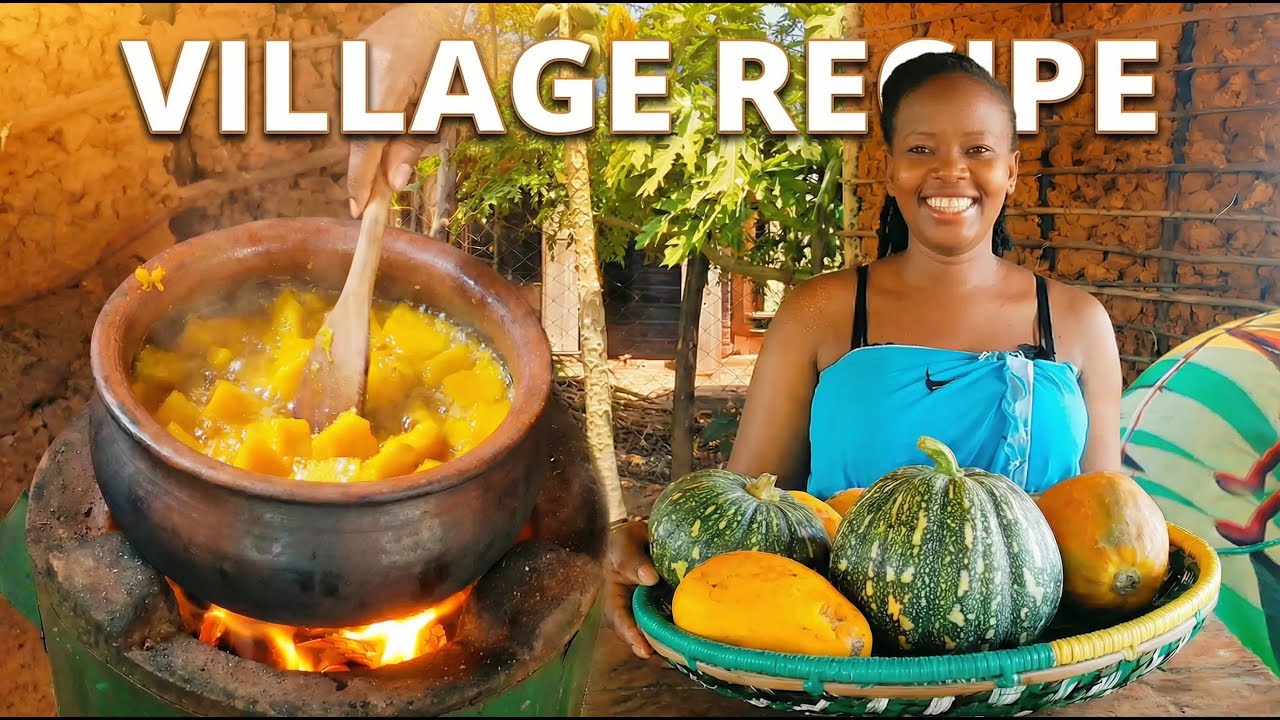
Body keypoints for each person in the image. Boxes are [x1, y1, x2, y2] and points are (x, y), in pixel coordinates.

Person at [603, 51, 1124, 660]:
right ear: (891, 169)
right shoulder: (819, 314)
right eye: (922, 149)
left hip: (1047, 665)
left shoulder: (1079, 322)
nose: (951, 171)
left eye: (978, 150)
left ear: (1011, 170)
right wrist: (647, 543)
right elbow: (748, 508)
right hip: (841, 660)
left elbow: (1107, 524)